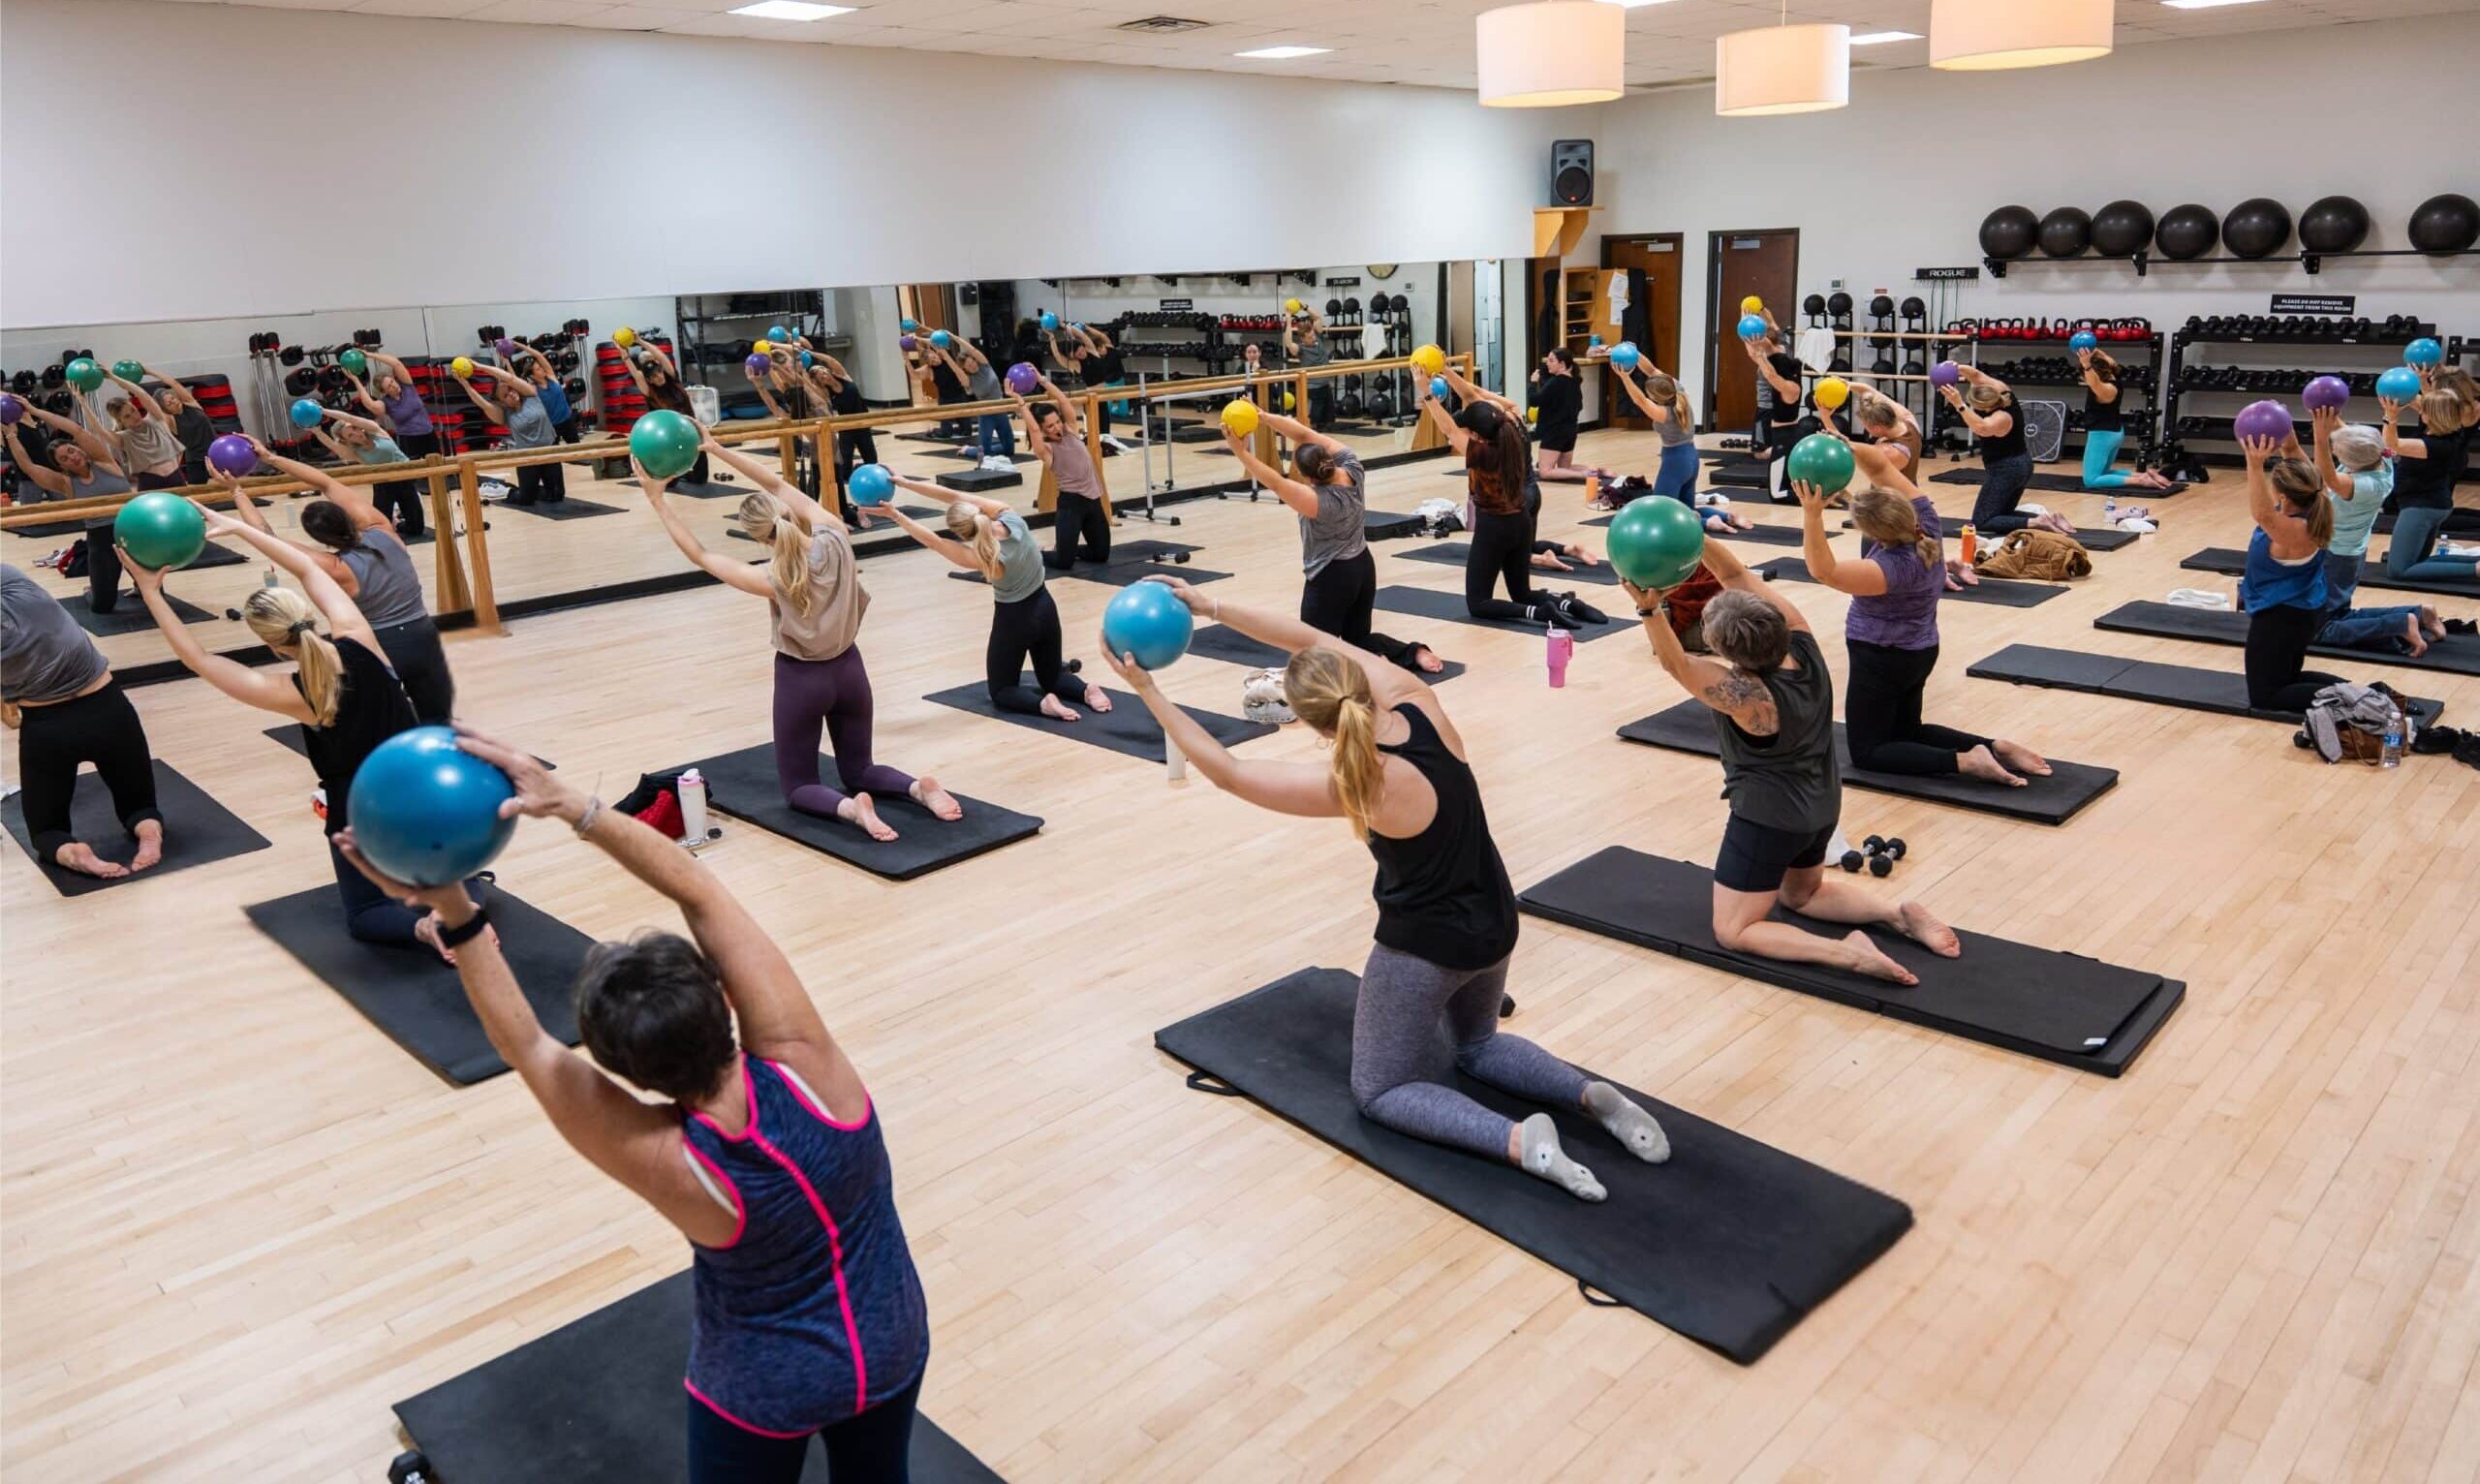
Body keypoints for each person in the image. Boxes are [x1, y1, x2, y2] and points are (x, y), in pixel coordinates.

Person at [333, 730, 929, 1482]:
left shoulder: (675, 1165)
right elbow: (698, 888)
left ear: (627, 1076)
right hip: (894, 1339)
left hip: (764, 1388)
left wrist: (450, 899)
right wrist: (571, 805)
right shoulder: (812, 1066)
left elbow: (529, 1048)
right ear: (719, 995)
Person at [1102, 581, 1673, 1201]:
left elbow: (1230, 771)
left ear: (1309, 720)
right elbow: (1312, 638)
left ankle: (1518, 1141)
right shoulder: (1419, 701)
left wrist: (1148, 690)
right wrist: (1209, 606)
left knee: (1382, 1090)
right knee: (1476, 1045)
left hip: (1426, 950)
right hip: (1496, 921)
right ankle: (1589, 1096)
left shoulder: (1357, 783)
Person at [122, 507, 462, 957]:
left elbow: (198, 660)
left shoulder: (292, 693)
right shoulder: (360, 637)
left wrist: (150, 591)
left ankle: (424, 930)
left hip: (364, 813)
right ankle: (460, 902)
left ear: (271, 644)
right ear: (308, 616)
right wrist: (239, 526)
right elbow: (305, 566)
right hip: (425, 789)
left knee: (365, 916)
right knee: (445, 871)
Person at [1619, 538, 1959, 983]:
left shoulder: (1749, 699)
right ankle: (1896, 914)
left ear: (1728, 651)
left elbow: (1676, 663)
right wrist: (1696, 536)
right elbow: (1737, 577)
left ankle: (1850, 954)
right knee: (1803, 895)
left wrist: (1649, 609)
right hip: (1823, 809)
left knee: (1735, 928)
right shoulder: (1804, 645)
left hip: (1770, 820)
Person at [638, 430, 960, 843]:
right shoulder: (835, 535)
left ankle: (852, 809)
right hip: (851, 672)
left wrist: (656, 499)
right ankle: (917, 789)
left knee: (799, 787)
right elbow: (775, 484)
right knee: (859, 769)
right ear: (786, 516)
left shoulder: (773, 578)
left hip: (802, 681)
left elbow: (699, 554)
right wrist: (718, 448)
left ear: (758, 536)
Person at [1789, 442, 2051, 786]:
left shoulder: (1889, 569)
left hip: (1881, 659)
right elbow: (1881, 469)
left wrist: (1812, 513)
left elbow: (1822, 570)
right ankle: (1995, 748)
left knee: (1868, 752)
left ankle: (1966, 761)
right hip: (1919, 653)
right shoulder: (1927, 524)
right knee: (1907, 731)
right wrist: (1845, 445)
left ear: (1873, 533)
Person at [218, 435, 454, 723]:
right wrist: (271, 458)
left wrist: (237, 492)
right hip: (424, 635)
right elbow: (326, 483)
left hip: (381, 646)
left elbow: (266, 538)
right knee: (437, 719)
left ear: (321, 540)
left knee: (383, 721)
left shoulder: (335, 568)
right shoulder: (384, 531)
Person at [1220, 408, 1444, 674]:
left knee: (1311, 651)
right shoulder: (1352, 466)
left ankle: (1357, 678)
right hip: (1362, 568)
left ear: (1308, 477)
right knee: (1357, 639)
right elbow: (1304, 434)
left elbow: (1277, 483)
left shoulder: (1317, 501)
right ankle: (1411, 652)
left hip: (1331, 578)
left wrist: (1241, 452)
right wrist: (1264, 417)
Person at [881, 475, 1111, 720]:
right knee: (1052, 676)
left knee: (1002, 690)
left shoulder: (985, 557)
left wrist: (895, 515)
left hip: (1014, 620)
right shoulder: (1012, 518)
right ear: (978, 512)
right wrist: (905, 482)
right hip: (1045, 607)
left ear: (963, 535)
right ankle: (1086, 690)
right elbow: (953, 495)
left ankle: (1045, 704)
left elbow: (934, 541)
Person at [3, 564, 163, 879]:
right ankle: (149, 833)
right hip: (109, 708)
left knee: (47, 833)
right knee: (140, 807)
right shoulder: (11, 581)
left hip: (46, 728)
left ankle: (75, 854)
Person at [1414, 380, 1596, 629]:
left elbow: (1448, 429)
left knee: (1478, 603)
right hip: (1520, 522)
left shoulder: (1485, 453)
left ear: (1476, 435)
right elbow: (1497, 406)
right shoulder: (1514, 433)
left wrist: (1426, 392)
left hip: (1494, 528)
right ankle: (1569, 604)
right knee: (1522, 592)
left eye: (1467, 431)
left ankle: (1540, 614)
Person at [2307, 410, 2443, 656]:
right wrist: (2330, 413)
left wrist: (2319, 438)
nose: (2335, 451)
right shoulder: (2382, 460)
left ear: (2350, 461)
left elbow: (2326, 475)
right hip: (2349, 554)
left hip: (2336, 557)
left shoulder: (2359, 484)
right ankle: (2419, 613)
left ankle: (2401, 624)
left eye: (2337, 450)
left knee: (2321, 629)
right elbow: (2356, 440)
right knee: (2339, 614)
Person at [2235, 432, 2345, 713]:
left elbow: (2261, 515)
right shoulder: (2318, 502)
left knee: (2266, 696)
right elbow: (2303, 471)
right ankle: (2361, 692)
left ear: (2282, 495)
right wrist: (2288, 441)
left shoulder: (2293, 530)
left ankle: (2358, 698)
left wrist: (2254, 464)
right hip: (2298, 613)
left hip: (2280, 618)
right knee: (2287, 680)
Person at [4, 402, 133, 614]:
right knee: (102, 606)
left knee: (152, 591)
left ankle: (140, 586)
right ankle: (91, 589)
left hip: (133, 527)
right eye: (65, 458)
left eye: (72, 450)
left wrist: (35, 412)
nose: (73, 457)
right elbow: (28, 467)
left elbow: (77, 430)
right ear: (61, 467)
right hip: (100, 537)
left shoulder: (104, 461)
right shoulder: (65, 483)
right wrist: (11, 435)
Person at [1850, 386, 1975, 591]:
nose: (1865, 429)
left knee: (1873, 559)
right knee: (1919, 545)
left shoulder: (1890, 452)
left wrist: (1828, 418)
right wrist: (1858, 388)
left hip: (1890, 505)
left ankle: (1943, 571)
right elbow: (1885, 399)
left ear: (1877, 427)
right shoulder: (1909, 424)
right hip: (1910, 495)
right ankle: (1947, 567)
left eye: (1865, 425)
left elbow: (1850, 451)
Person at [1012, 372, 1112, 571]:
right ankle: (1037, 552)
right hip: (1071, 505)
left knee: (1100, 555)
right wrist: (1019, 401)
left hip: (1093, 501)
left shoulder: (1071, 431)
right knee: (1062, 562)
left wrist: (1042, 381)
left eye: (1057, 421)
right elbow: (1032, 429)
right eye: (1050, 426)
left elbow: (1063, 400)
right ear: (1043, 430)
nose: (1057, 427)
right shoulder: (1046, 450)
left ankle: (1069, 549)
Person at [1938, 363, 2048, 535]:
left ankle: (2037, 522)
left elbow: (1981, 427)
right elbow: (1976, 375)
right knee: (2000, 513)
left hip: (2007, 470)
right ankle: (2046, 519)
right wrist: (1956, 368)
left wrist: (1959, 404)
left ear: (1986, 408)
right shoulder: (2002, 390)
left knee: (1982, 521)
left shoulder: (2000, 418)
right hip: (2021, 464)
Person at [2380, 389, 2476, 583]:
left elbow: (2390, 445)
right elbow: (2429, 404)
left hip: (2421, 508)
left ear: (2432, 416)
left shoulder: (2433, 445)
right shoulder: (2452, 432)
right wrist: (2404, 390)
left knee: (2398, 571)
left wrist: (2389, 416)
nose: (2420, 410)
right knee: (2420, 561)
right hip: (2433, 505)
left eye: (2425, 410)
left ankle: (2475, 569)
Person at [351, 351, 436, 536]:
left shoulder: (408, 387)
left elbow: (396, 363)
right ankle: (400, 513)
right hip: (409, 441)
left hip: (429, 435)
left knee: (437, 474)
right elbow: (372, 407)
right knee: (407, 482)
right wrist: (357, 382)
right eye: (389, 386)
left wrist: (368, 354)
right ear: (383, 391)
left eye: (393, 382)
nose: (394, 386)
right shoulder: (386, 403)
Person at [453, 362, 561, 506]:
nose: (511, 393)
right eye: (505, 395)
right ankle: (507, 490)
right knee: (526, 500)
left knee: (557, 495)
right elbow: (483, 404)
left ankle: (533, 489)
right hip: (527, 458)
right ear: (502, 402)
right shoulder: (505, 415)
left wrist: (480, 367)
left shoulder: (530, 395)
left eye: (510, 389)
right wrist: (465, 384)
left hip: (549, 450)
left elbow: (510, 378)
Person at [2073, 349, 2173, 492]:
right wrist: (2094, 351)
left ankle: (2140, 481)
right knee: (2103, 474)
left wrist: (2087, 366)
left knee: (2091, 480)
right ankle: (2144, 474)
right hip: (2114, 432)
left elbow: (2094, 383)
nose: (2083, 378)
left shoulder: (2106, 390)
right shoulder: (2114, 376)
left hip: (2102, 435)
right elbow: (2111, 362)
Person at [617, 339, 710, 489]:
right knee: (670, 484)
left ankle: (685, 474)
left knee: (701, 479)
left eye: (659, 372)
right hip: (667, 439)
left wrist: (639, 340)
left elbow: (660, 356)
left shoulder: (673, 380)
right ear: (649, 380)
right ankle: (674, 473)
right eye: (653, 376)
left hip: (691, 432)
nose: (659, 377)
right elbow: (637, 375)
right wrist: (625, 356)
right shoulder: (651, 393)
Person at [1610, 359, 1699, 503]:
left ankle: (1712, 522)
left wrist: (1624, 377)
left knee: (1660, 509)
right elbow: (1651, 370)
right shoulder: (1678, 390)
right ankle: (1726, 517)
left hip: (1675, 461)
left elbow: (1640, 400)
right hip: (1692, 457)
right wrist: (1636, 354)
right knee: (1687, 511)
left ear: (1654, 397)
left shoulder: (1664, 413)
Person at [1742, 316, 1807, 501]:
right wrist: (1750, 336)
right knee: (1785, 477)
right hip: (1789, 434)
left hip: (1783, 439)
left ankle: (1817, 496)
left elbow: (1770, 374)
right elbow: (1769, 350)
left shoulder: (1789, 389)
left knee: (1776, 494)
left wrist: (1760, 358)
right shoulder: (1788, 365)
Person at [90, 372, 186, 489]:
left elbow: (141, 393)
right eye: (127, 416)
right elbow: (99, 429)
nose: (134, 416)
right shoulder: (123, 437)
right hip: (150, 482)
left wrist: (113, 377)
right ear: (121, 422)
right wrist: (81, 400)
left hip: (175, 476)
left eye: (133, 410)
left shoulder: (155, 418)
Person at [926, 338, 1012, 464]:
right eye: (968, 365)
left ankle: (979, 448)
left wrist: (952, 335)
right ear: (965, 369)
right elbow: (956, 369)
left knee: (1009, 450)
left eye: (972, 361)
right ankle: (967, 450)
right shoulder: (968, 381)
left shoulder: (985, 365)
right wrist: (945, 356)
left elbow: (973, 349)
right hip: (986, 414)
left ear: (974, 359)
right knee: (985, 453)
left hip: (1001, 411)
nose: (972, 365)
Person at [1526, 347, 1603, 485]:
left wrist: (1532, 383)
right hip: (1571, 430)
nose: (1547, 363)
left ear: (1561, 364)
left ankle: (1583, 475)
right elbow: (1579, 407)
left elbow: (1534, 401)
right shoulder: (1574, 382)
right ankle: (1597, 471)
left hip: (1555, 432)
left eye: (1551, 360)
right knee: (1565, 468)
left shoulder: (1556, 382)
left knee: (1545, 471)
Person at [135, 362, 218, 485]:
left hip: (216, 453)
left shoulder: (191, 403)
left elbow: (173, 383)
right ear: (166, 410)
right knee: (197, 494)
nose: (173, 402)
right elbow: (151, 407)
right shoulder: (170, 420)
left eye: (172, 398)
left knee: (229, 487)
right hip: (196, 462)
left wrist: (150, 372)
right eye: (169, 403)